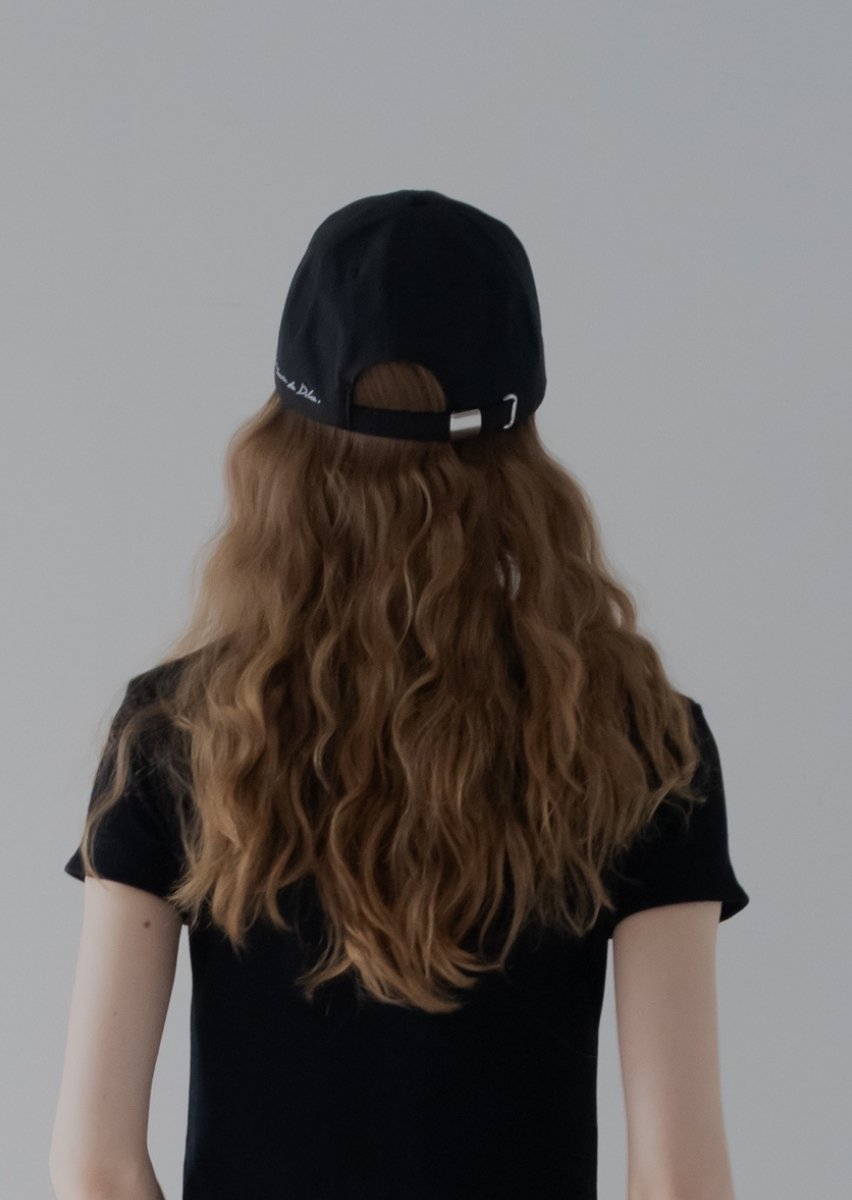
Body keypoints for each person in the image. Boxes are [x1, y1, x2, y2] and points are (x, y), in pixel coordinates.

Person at [49, 189, 750, 1200]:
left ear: (283, 442)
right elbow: (680, 1179)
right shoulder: (640, 741)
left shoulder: (177, 733)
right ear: (521, 449)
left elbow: (97, 1168)